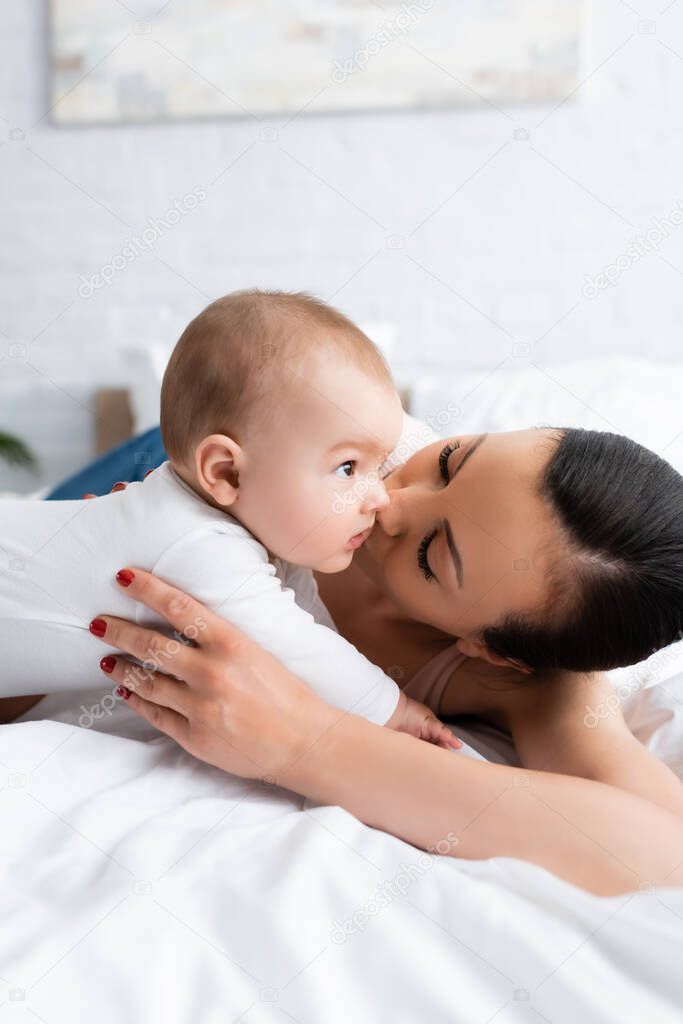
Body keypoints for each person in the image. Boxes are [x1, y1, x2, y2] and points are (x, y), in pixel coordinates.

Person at [0, 290, 460, 745]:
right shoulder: (199, 543)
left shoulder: (253, 536)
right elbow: (299, 648)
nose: (378, 496)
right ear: (226, 472)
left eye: (377, 466)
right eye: (347, 468)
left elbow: (309, 623)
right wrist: (394, 711)